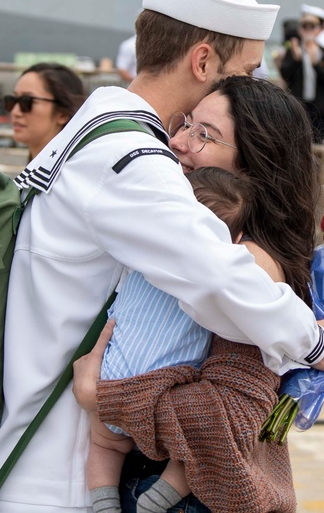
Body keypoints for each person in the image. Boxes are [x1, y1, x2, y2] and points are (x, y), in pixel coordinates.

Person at [0, 0, 324, 513]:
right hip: (56, 474)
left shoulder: (95, 130)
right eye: (246, 71)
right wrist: (316, 342)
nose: (249, 87)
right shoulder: (134, 163)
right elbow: (216, 277)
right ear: (203, 61)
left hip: (45, 458)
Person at [79, 76, 322, 513]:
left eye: (205, 135)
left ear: (254, 168)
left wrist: (101, 397)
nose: (177, 141)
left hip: (190, 493)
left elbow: (222, 415)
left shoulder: (248, 267)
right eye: (186, 123)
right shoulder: (195, 246)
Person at [86, 166, 255, 513]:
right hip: (166, 389)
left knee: (104, 446)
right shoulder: (219, 281)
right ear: (234, 242)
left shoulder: (143, 258)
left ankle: (103, 505)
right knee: (191, 452)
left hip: (112, 379)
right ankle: (159, 498)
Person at [279, 7, 324, 141]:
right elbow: (285, 74)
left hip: (319, 109)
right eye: (305, 27)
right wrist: (295, 59)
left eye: (312, 27)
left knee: (319, 144)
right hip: (297, 106)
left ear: (318, 30)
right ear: (300, 30)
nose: (308, 30)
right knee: (296, 141)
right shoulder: (293, 51)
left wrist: (316, 62)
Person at [6, 62, 86, 159]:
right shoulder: (37, 169)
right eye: (12, 101)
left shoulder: (72, 172)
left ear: (63, 114)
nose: (15, 112)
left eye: (26, 101)